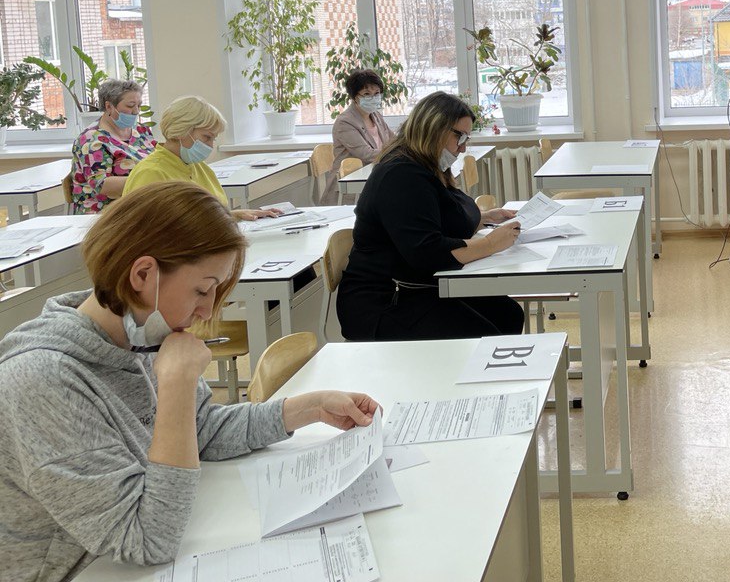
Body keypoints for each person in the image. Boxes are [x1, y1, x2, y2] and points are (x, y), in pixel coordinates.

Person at [0, 181, 379, 582]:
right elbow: (147, 541)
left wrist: (310, 408)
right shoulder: (42, 380)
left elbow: (201, 431)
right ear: (143, 274)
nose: (207, 311)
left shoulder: (142, 330)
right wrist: (177, 385)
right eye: (202, 290)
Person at [337, 91, 524, 341]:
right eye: (459, 136)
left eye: (466, 138)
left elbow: (447, 215)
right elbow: (429, 253)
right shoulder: (401, 175)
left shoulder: (426, 165)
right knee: (486, 338)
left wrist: (485, 218)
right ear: (433, 128)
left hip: (417, 286)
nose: (463, 147)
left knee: (508, 315)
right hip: (385, 300)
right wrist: (490, 244)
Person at [122, 95, 279, 222]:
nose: (210, 146)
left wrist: (235, 216)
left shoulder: (199, 167)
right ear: (181, 130)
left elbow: (202, 219)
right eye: (207, 137)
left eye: (213, 139)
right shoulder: (150, 173)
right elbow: (147, 234)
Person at [70, 79, 156, 214]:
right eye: (130, 105)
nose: (136, 111)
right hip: (107, 213)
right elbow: (102, 185)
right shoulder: (91, 140)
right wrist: (150, 180)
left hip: (140, 204)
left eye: (139, 105)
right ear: (109, 106)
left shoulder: (141, 131)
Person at [321, 68, 395, 204]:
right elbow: (367, 154)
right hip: (348, 192)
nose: (373, 98)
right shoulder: (345, 122)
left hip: (373, 182)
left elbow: (394, 142)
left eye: (377, 93)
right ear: (355, 97)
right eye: (367, 94)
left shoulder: (376, 116)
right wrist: (397, 154)